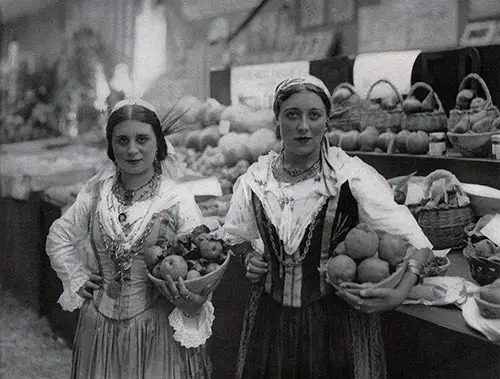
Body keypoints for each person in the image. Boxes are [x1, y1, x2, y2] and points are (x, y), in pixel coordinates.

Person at [222, 76, 433, 379]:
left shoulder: (351, 176)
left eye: (314, 115)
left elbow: (418, 242)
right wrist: (247, 257)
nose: (303, 126)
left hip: (336, 325)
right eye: (292, 115)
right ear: (277, 120)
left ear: (327, 122)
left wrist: (400, 292)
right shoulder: (255, 180)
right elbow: (235, 235)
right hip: (270, 325)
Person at [46, 99, 214, 379]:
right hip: (98, 327)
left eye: (142, 139)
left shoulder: (175, 198)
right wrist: (76, 279)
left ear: (158, 145)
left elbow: (201, 264)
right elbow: (59, 237)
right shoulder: (96, 194)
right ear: (111, 147)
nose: (132, 149)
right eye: (122, 140)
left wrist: (190, 297)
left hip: (157, 331)